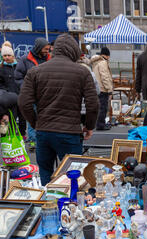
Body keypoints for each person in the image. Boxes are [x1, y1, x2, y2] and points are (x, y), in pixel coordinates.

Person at [18, 33, 99, 186]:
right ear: (73, 51)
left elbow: (24, 102)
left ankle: (47, 207)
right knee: (73, 178)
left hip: (44, 131)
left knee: (46, 175)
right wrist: (89, 126)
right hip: (69, 132)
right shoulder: (82, 72)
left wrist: (36, 123)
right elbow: (93, 104)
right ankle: (70, 206)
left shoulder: (35, 71)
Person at [15, 37, 51, 147]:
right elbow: (18, 77)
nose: (47, 51)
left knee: (47, 117)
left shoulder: (49, 58)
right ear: (39, 48)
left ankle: (45, 140)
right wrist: (27, 89)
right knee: (32, 118)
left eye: (48, 49)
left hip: (47, 94)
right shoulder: (25, 59)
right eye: (45, 49)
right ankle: (33, 141)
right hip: (33, 94)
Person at [91, 47, 113, 130]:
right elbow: (105, 77)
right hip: (103, 89)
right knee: (103, 108)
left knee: (100, 107)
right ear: (107, 55)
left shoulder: (96, 62)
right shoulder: (103, 63)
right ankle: (100, 125)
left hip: (97, 88)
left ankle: (100, 123)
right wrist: (109, 89)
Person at [0, 45, 19, 122]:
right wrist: (6, 93)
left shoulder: (18, 66)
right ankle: (7, 134)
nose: (6, 57)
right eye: (4, 55)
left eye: (9, 55)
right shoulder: (1, 68)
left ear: (13, 56)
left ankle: (22, 133)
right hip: (8, 99)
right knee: (10, 120)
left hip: (19, 96)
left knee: (22, 118)